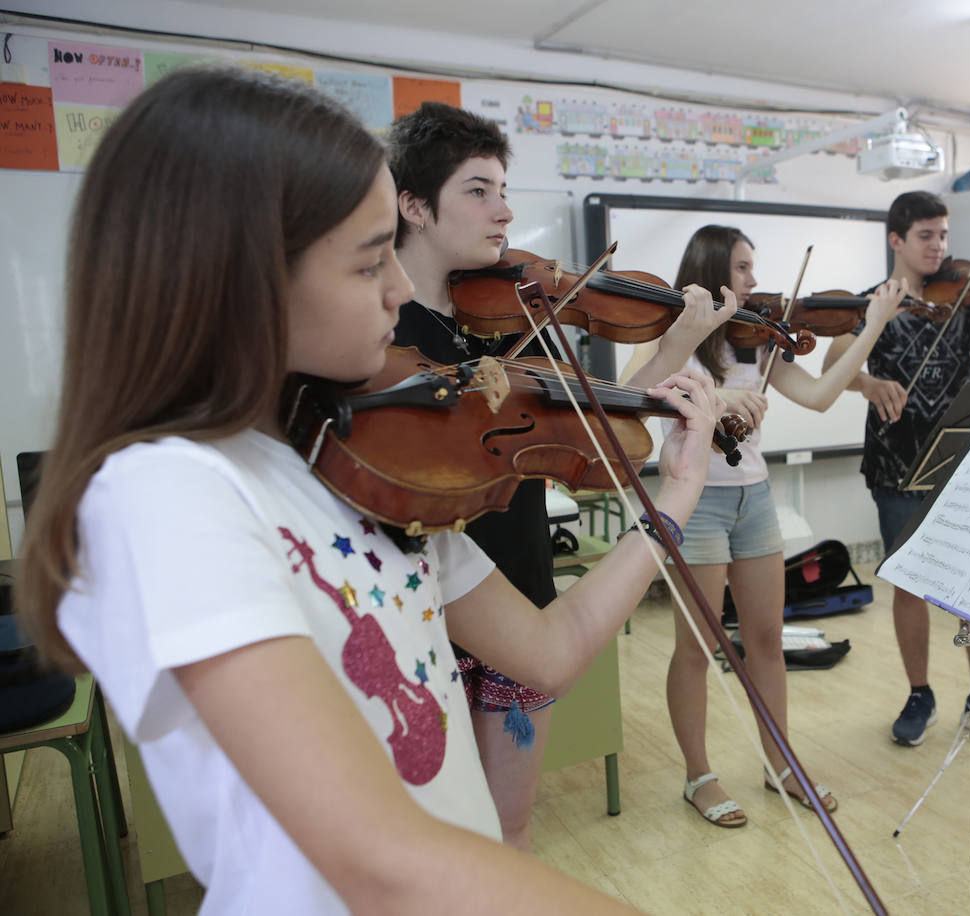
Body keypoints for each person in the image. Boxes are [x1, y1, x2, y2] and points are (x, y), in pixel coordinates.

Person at [16, 66, 722, 913]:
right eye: (366, 263)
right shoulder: (168, 493)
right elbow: (376, 857)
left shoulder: (361, 464)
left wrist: (672, 501)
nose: (398, 288)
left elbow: (549, 648)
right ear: (240, 281)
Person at [387, 102, 737, 850]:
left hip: (522, 588)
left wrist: (679, 342)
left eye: (503, 188)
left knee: (511, 826)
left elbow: (586, 412)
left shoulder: (509, 312)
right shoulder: (377, 334)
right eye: (478, 190)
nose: (504, 210)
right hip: (424, 618)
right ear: (412, 205)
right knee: (438, 837)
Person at [622, 225, 908, 826]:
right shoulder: (671, 335)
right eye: (744, 269)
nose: (757, 282)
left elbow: (824, 394)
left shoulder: (760, 342)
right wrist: (717, 398)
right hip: (694, 505)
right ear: (712, 271)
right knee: (698, 648)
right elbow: (629, 397)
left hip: (755, 500)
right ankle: (698, 776)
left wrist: (875, 322)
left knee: (767, 643)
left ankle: (781, 765)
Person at [823, 190, 970, 749]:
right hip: (894, 465)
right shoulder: (868, 304)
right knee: (909, 585)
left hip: (963, 462)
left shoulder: (967, 299)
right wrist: (867, 382)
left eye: (943, 235)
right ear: (897, 241)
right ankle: (919, 694)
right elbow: (833, 365)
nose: (939, 246)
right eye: (926, 235)